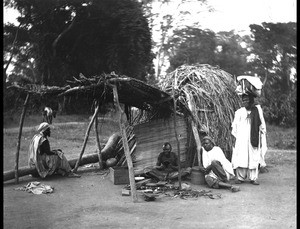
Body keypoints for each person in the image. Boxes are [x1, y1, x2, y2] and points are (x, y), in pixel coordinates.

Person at [231, 93, 267, 185]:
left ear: (251, 100)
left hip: (254, 136)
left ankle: (253, 178)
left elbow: (262, 123)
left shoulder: (257, 110)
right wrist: (237, 137)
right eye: (243, 100)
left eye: (247, 100)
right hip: (242, 138)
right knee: (241, 156)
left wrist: (262, 134)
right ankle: (240, 177)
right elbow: (234, 126)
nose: (245, 102)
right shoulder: (239, 112)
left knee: (253, 156)